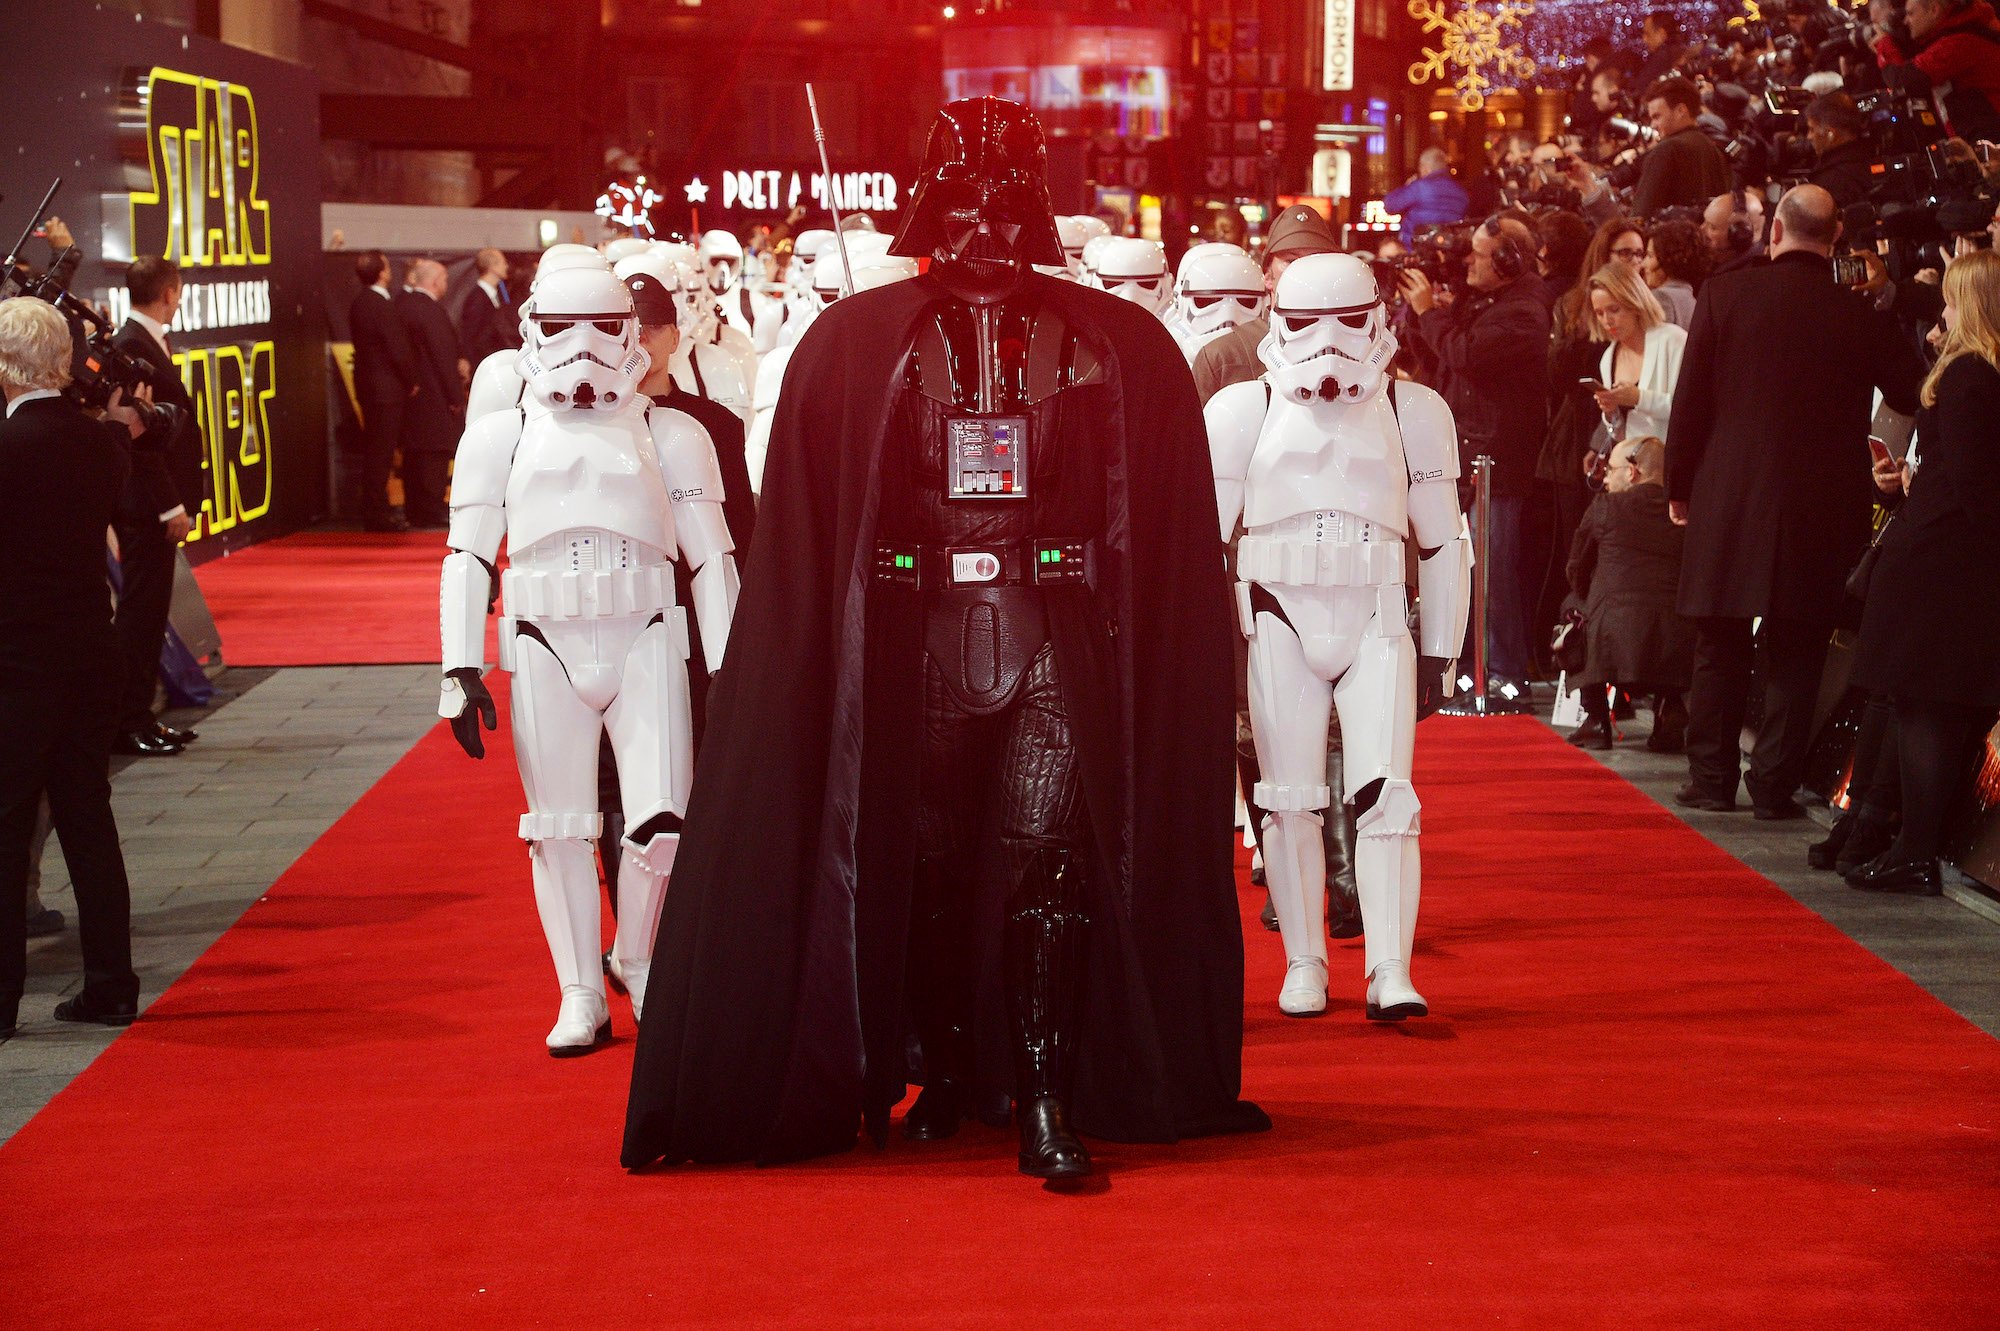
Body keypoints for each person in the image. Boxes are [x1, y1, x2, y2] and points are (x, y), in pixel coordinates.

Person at [622, 96, 1268, 1184]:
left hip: (1053, 632)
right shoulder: (852, 344)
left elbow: (1149, 529)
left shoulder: (1118, 346)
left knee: (1043, 859)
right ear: (928, 211)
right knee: (923, 864)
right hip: (910, 640)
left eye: (1006, 211)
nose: (983, 238)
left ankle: (1046, 1095)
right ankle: (953, 1071)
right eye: (960, 210)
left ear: (1037, 215)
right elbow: (813, 528)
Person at [437, 252, 739, 1054]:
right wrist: (457, 668)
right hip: (542, 640)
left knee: (665, 822)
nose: (581, 348)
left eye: (601, 327)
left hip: (645, 634)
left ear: (631, 333)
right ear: (533, 330)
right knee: (559, 826)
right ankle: (579, 989)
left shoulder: (673, 432)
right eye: (561, 328)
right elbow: (466, 554)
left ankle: (634, 957)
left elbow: (714, 558)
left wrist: (731, 667)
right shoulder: (500, 434)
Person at [1206, 253, 1470, 1020]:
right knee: (1288, 799)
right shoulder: (1239, 411)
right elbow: (1201, 542)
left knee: (1388, 796)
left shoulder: (1414, 411)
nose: (1328, 343)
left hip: (1377, 612)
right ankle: (1305, 961)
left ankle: (1390, 964)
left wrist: (1441, 649)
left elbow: (1442, 542)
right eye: (1305, 322)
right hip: (1277, 613)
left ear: (1379, 318)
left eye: (1348, 321)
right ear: (1276, 320)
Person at [1665, 185, 1927, 817]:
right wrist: (1884, 301)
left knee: (1719, 638)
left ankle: (1711, 778)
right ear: (1836, 238)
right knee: (1799, 642)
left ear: (1774, 232)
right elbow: (1911, 390)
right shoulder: (1857, 310)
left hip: (1729, 489)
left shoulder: (1725, 294)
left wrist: (1679, 485)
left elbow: (1690, 401)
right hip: (1822, 498)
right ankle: (1773, 787)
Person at [0, 297, 149, 1038]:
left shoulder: (7, 446)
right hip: (93, 650)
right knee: (88, 817)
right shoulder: (102, 446)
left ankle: (0, 1004)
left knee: (5, 827)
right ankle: (112, 985)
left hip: (18, 661)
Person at [1845, 250, 2000, 894]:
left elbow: (1974, 486)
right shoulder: (1980, 376)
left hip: (1939, 567)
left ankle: (1913, 851)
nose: (1942, 311)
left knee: (1927, 710)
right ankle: (1913, 847)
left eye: (1951, 299)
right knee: (1934, 709)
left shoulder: (1967, 375)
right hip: (1950, 565)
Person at [1402, 214, 1551, 688]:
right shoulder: (1486, 302)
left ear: (1508, 261)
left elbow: (1466, 354)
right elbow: (1434, 355)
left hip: (1497, 464)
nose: (1468, 260)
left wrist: (1431, 311)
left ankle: (1505, 674)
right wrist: (1422, 312)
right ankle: (1473, 670)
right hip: (1467, 456)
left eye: (1479, 254)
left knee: (1493, 574)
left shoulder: (1525, 310)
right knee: (1470, 570)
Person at [110, 255, 202, 758]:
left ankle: (138, 716)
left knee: (147, 613)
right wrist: (171, 507)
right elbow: (139, 441)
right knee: (141, 615)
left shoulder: (141, 341)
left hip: (151, 502)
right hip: (146, 505)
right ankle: (128, 721)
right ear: (170, 292)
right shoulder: (129, 346)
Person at [1563, 436, 1694, 751]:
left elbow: (1576, 568)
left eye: (1611, 470)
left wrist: (1586, 596)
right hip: (1678, 636)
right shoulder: (1688, 510)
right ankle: (1670, 710)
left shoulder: (1606, 506)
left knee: (1573, 607)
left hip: (1612, 640)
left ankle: (1596, 719)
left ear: (1633, 472)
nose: (1605, 478)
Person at [1191, 203, 1341, 402]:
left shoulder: (1362, 350)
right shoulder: (1221, 357)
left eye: (1315, 259)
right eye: (1290, 260)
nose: (1303, 270)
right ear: (1267, 276)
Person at [347, 251, 418, 532]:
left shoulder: (359, 304)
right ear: (382, 273)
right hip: (386, 390)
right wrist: (411, 379)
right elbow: (397, 349)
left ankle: (376, 509)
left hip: (369, 387)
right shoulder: (380, 305)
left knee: (376, 451)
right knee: (381, 453)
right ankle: (377, 512)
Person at [1871, 0, 2000, 146]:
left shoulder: (1958, 43)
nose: (1906, 21)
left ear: (1934, 10)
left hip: (1992, 148)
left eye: (1911, 13)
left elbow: (1902, 80)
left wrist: (1884, 44)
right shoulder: (1964, 32)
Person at [1587, 260, 1687, 448]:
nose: (1607, 320)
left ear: (1634, 302)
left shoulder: (1672, 340)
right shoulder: (1608, 358)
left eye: (1614, 309)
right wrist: (1610, 413)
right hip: (1635, 466)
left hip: (1676, 460)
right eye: (1599, 313)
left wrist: (1639, 398)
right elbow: (1621, 433)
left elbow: (1691, 409)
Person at [395, 259, 464, 527]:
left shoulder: (401, 306)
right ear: (435, 282)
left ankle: (415, 509)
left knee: (414, 454)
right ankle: (430, 509)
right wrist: (455, 396)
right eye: (445, 280)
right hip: (435, 393)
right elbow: (442, 356)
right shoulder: (431, 312)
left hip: (411, 393)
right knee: (435, 454)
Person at [1631, 77, 1732, 217]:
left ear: (1681, 110)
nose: (1653, 125)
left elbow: (1641, 216)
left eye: (1657, 117)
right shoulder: (1712, 149)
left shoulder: (1666, 150)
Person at [1384, 147, 1470, 245]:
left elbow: (1390, 205)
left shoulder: (1419, 187)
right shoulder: (1461, 192)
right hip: (1447, 249)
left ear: (1426, 168)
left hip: (1416, 249)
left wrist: (1406, 186)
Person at [1804, 92, 1875, 208]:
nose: (1809, 137)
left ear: (1830, 134)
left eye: (1812, 129)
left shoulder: (1829, 183)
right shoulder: (1868, 159)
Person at [457, 247, 519, 369]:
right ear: (492, 266)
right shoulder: (477, 299)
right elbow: (471, 337)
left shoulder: (497, 296)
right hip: (484, 365)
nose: (506, 266)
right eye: (503, 262)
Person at [1642, 218, 1710, 328]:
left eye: (1650, 256)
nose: (1643, 264)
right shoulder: (1692, 299)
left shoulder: (1661, 297)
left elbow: (1657, 343)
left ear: (1668, 260)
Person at [1702, 189, 1766, 275]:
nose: (1701, 229)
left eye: (1712, 227)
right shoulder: (1722, 264)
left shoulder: (1732, 280)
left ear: (1740, 235)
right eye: (1704, 221)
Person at [1637, 9, 1688, 88]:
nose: (1644, 39)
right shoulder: (1682, 53)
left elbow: (1639, 87)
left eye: (1647, 34)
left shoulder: (1662, 57)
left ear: (1661, 34)